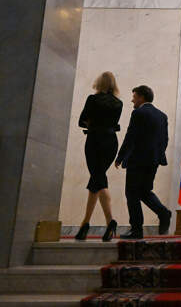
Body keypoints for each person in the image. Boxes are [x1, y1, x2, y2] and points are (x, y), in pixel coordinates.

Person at [115, 85, 172, 239]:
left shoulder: (138, 113)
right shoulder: (162, 116)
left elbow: (130, 136)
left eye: (134, 97)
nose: (132, 100)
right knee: (144, 191)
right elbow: (165, 140)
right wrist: (157, 156)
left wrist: (120, 156)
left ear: (141, 97)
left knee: (132, 193)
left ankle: (136, 230)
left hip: (137, 160)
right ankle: (163, 213)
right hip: (153, 161)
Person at [75, 72, 122, 242]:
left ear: (99, 83)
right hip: (111, 142)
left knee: (98, 178)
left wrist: (91, 122)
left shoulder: (92, 99)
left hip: (95, 140)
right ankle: (85, 223)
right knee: (97, 178)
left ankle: (110, 221)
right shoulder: (118, 103)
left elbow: (81, 121)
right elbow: (114, 123)